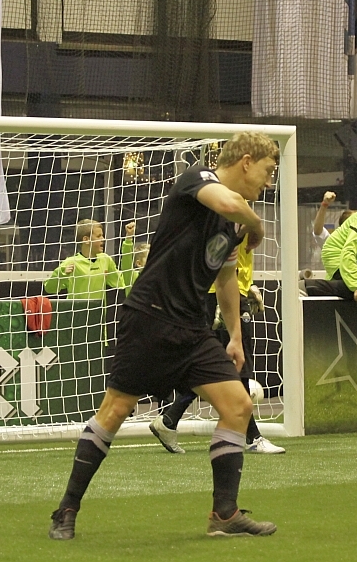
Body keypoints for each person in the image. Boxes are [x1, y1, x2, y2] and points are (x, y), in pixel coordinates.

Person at [48, 131, 279, 540]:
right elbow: (227, 203)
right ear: (246, 161)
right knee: (116, 411)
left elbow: (226, 278)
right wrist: (255, 222)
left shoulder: (236, 222)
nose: (269, 181)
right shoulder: (197, 179)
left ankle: (224, 515)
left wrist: (235, 337)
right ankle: (66, 509)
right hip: (149, 319)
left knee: (239, 406)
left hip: (192, 328)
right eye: (268, 170)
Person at [149, 232, 285, 456]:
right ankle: (252, 437)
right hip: (223, 294)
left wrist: (247, 285)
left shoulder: (238, 216)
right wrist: (226, 302)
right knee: (237, 365)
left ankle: (169, 420)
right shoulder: (232, 215)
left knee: (213, 367)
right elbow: (221, 249)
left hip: (226, 291)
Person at [43, 219, 125, 300]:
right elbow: (49, 289)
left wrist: (128, 240)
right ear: (86, 240)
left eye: (102, 235)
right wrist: (61, 274)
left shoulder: (105, 260)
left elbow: (122, 282)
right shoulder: (71, 262)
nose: (103, 239)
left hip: (99, 309)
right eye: (98, 236)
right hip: (76, 308)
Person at [118, 221, 150, 294]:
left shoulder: (156, 276)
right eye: (148, 258)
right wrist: (129, 237)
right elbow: (126, 260)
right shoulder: (131, 277)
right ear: (139, 263)